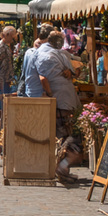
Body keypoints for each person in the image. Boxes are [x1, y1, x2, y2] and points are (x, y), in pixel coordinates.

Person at [35, 30, 83, 183]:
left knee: (58, 135)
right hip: (63, 99)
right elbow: (75, 72)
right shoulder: (60, 54)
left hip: (54, 99)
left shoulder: (40, 51)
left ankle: (60, 167)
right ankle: (62, 167)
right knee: (67, 135)